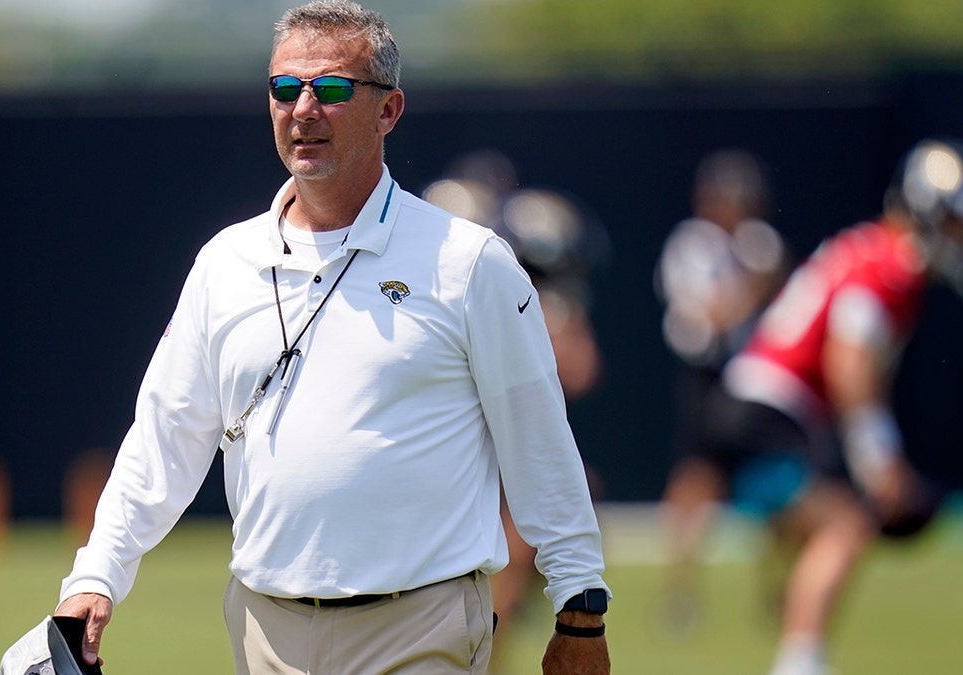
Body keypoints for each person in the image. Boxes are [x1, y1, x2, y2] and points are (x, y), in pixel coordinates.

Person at [51, 3, 611, 674]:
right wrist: (96, 576)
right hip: (266, 625)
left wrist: (580, 607)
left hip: (421, 622)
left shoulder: (469, 261)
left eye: (333, 88)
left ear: (389, 110)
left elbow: (539, 440)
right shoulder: (223, 264)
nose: (304, 108)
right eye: (286, 88)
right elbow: (163, 438)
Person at [670, 138, 963, 675]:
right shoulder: (889, 264)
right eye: (960, 224)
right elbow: (849, 361)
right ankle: (801, 662)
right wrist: (879, 459)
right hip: (768, 407)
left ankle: (793, 623)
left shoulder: (870, 250)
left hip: (754, 404)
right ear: (931, 210)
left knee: (820, 528)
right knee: (845, 526)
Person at [423, 151, 609, 668]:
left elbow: (580, 367)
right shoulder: (430, 286)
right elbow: (580, 367)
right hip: (463, 461)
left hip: (488, 460)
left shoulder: (525, 288)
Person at [654, 149, 789, 632]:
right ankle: (680, 592)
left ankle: (778, 593)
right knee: (696, 483)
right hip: (708, 375)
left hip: (753, 376)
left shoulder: (758, 243)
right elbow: (711, 316)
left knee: (776, 483)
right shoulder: (692, 247)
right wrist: (755, 286)